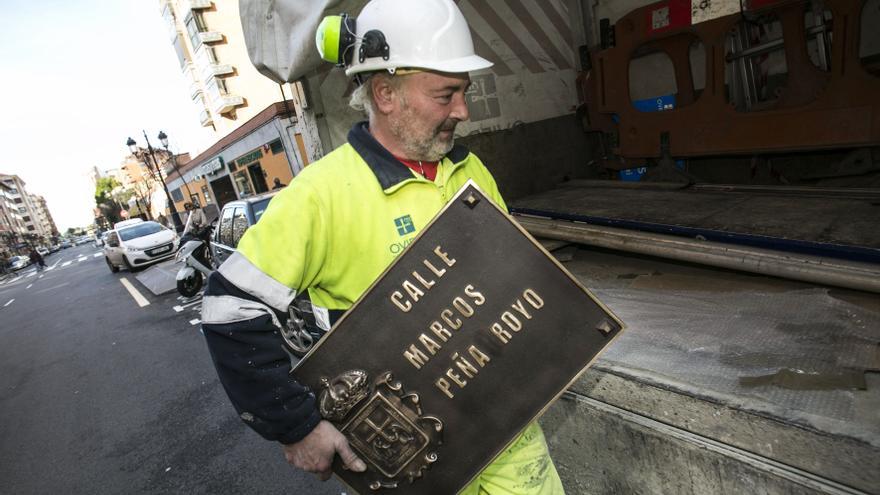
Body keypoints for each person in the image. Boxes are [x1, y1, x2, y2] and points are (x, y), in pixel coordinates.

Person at [200, 1, 564, 493]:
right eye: (446, 94)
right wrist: (297, 425)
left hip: (508, 434)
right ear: (386, 93)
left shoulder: (471, 172)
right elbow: (229, 308)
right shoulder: (321, 195)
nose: (463, 110)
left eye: (464, 92)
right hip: (411, 462)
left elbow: (510, 279)